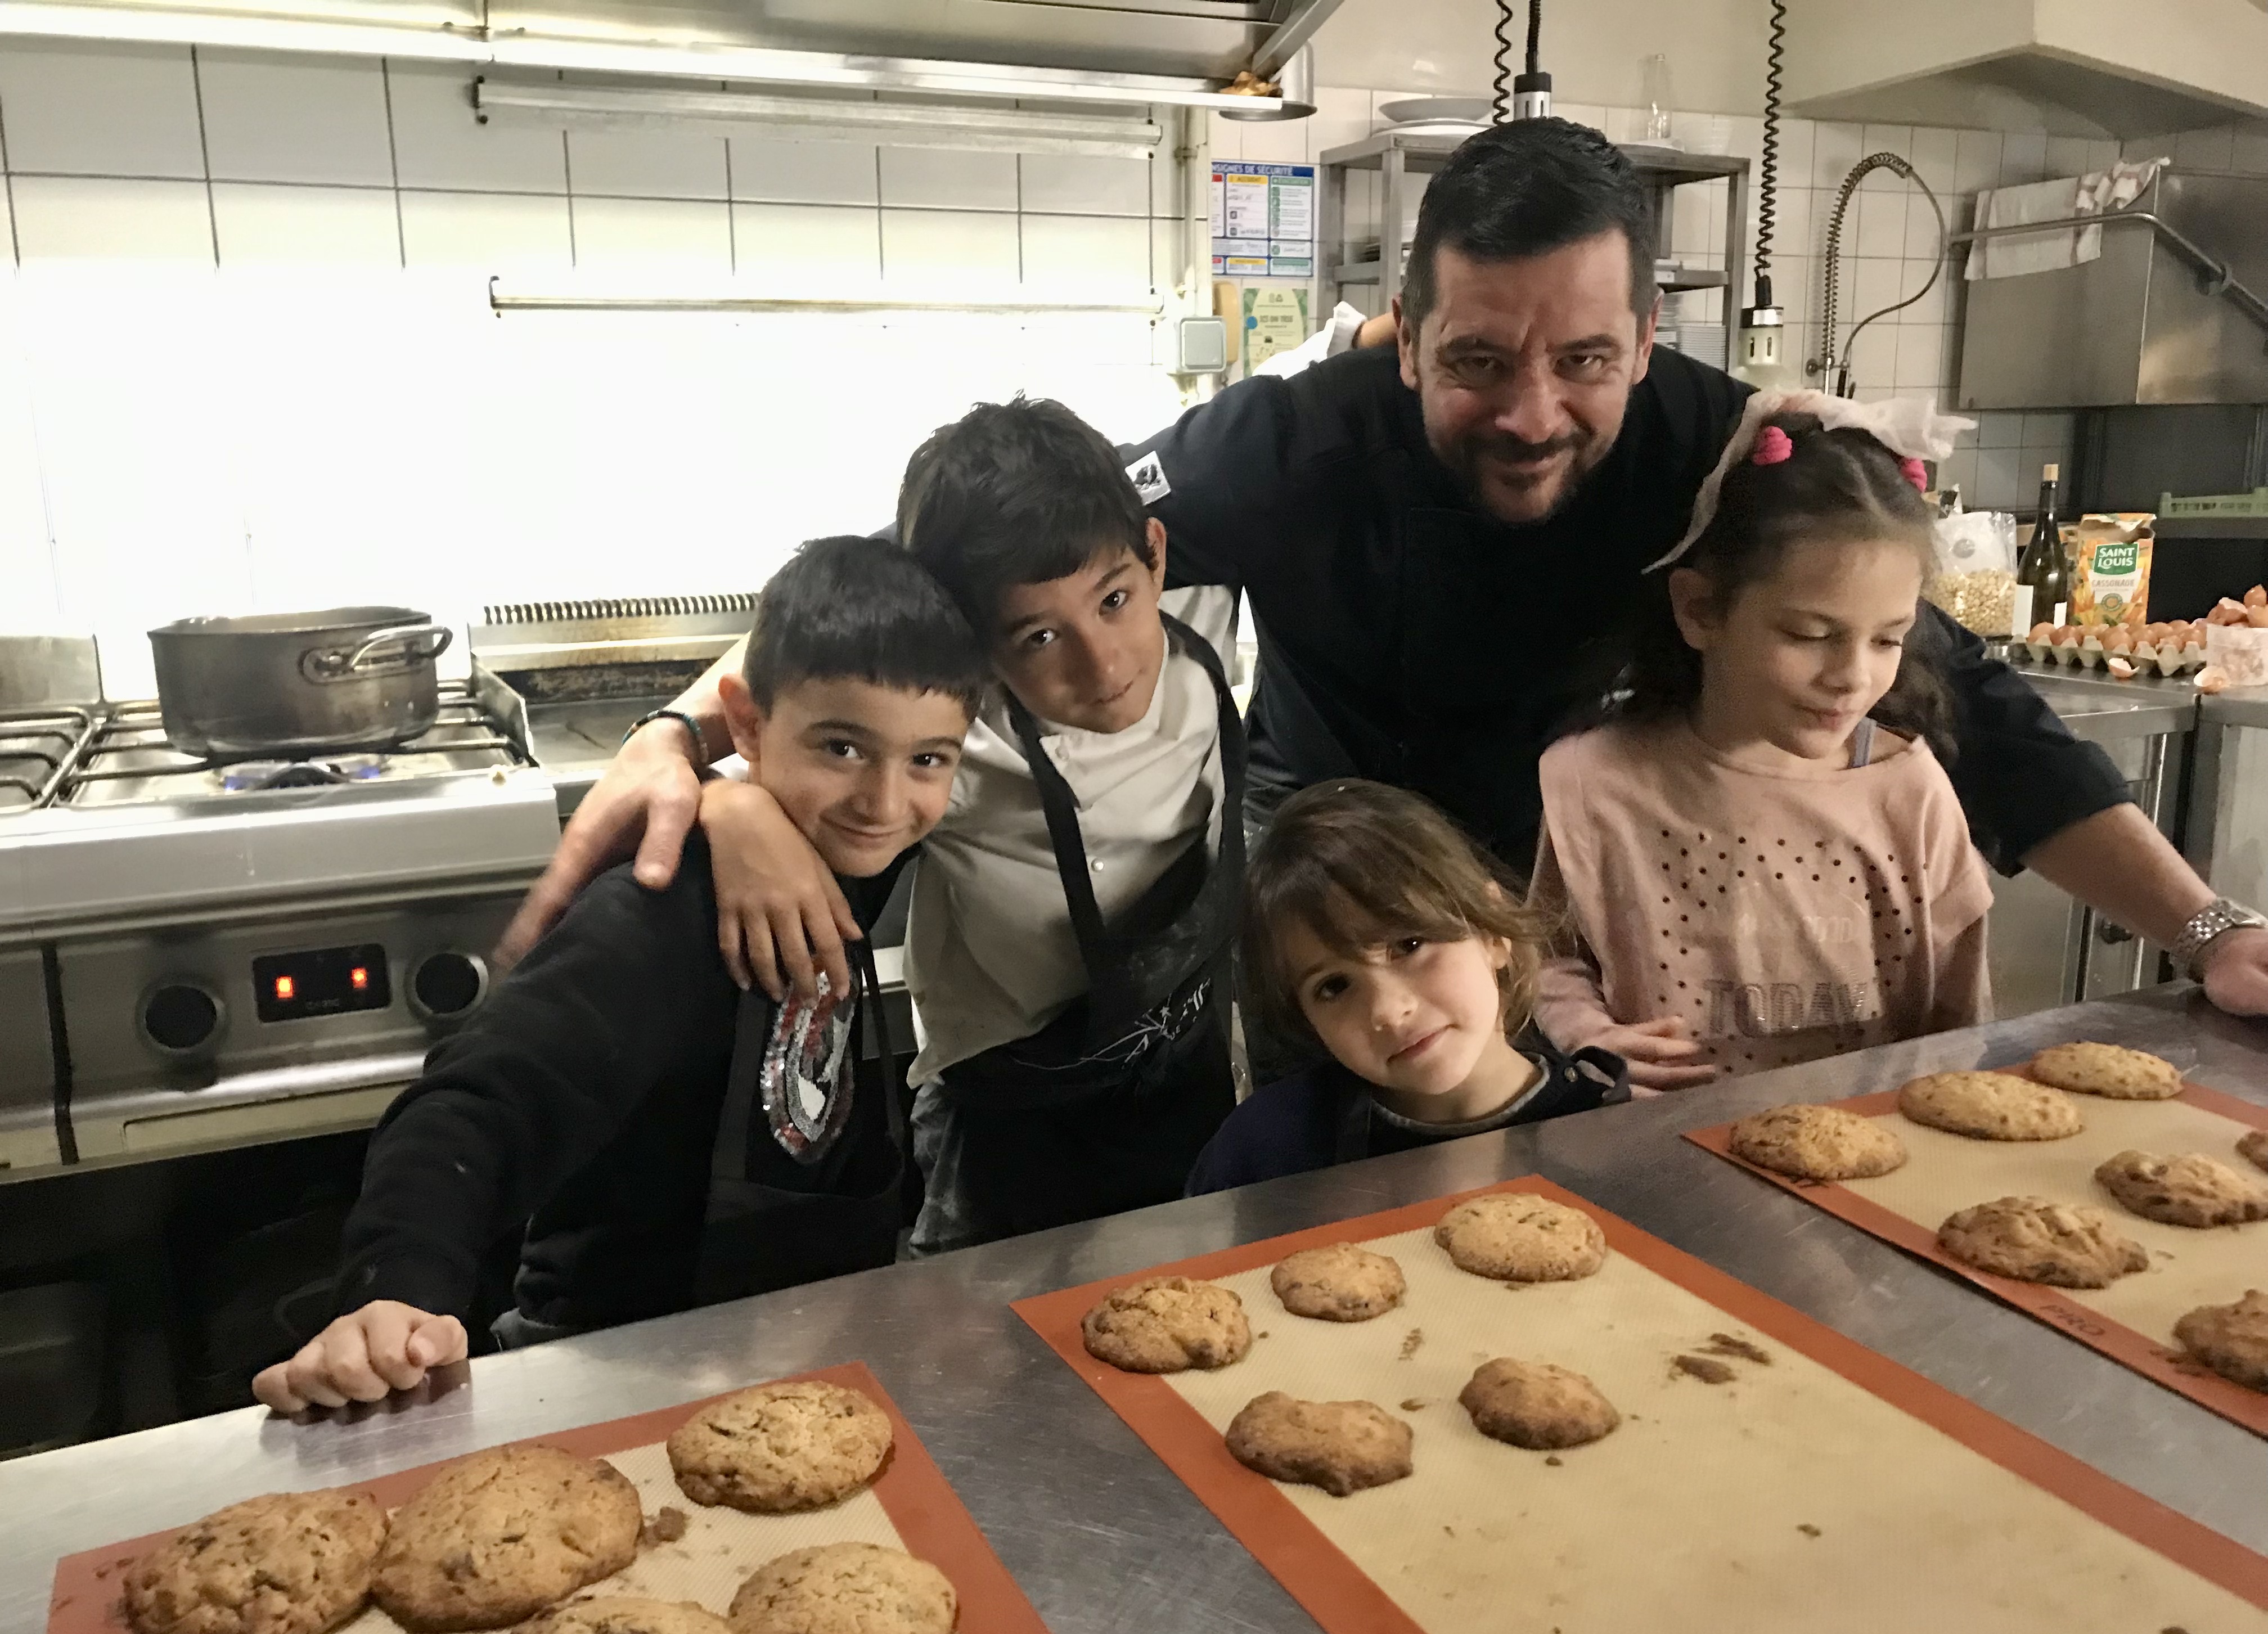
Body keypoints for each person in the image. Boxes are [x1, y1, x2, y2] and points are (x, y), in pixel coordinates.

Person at [500, 117, 2268, 1091]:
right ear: (1404, 338)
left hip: (1589, 911)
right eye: (1478, 361)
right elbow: (982, 560)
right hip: (1332, 894)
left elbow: (1979, 710)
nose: (1530, 411)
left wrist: (2207, 932)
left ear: (1646, 347)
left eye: (1584, 361)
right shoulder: (1289, 442)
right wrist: (704, 739)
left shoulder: (1724, 460)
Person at [250, 538, 988, 1414]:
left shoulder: (861, 841)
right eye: (840, 748)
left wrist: (736, 792)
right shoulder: (661, 912)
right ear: (747, 724)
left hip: (796, 1362)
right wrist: (398, 1289)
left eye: (927, 761)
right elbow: (476, 1105)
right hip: (615, 1377)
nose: (883, 801)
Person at [699, 397, 1244, 1254]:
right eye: (1036, 637)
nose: (1102, 665)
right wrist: (730, 803)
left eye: (1114, 600)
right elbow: (772, 742)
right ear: (977, 649)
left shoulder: (1210, 617)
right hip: (1007, 1124)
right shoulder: (948, 745)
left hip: (1186, 1076)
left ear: (1156, 556)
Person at [1530, 396, 1994, 1083]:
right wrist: (1589, 1035)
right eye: (1809, 635)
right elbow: (1547, 959)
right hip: (1652, 1154)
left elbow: (1963, 1021)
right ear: (1700, 610)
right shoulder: (1596, 783)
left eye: (1889, 639)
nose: (1853, 677)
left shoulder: (1910, 792)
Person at [1186, 780, 1624, 1195]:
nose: (1388, 1010)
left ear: (1492, 933)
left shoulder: (1613, 1136)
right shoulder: (1264, 1152)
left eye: (1409, 945)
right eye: (1334, 986)